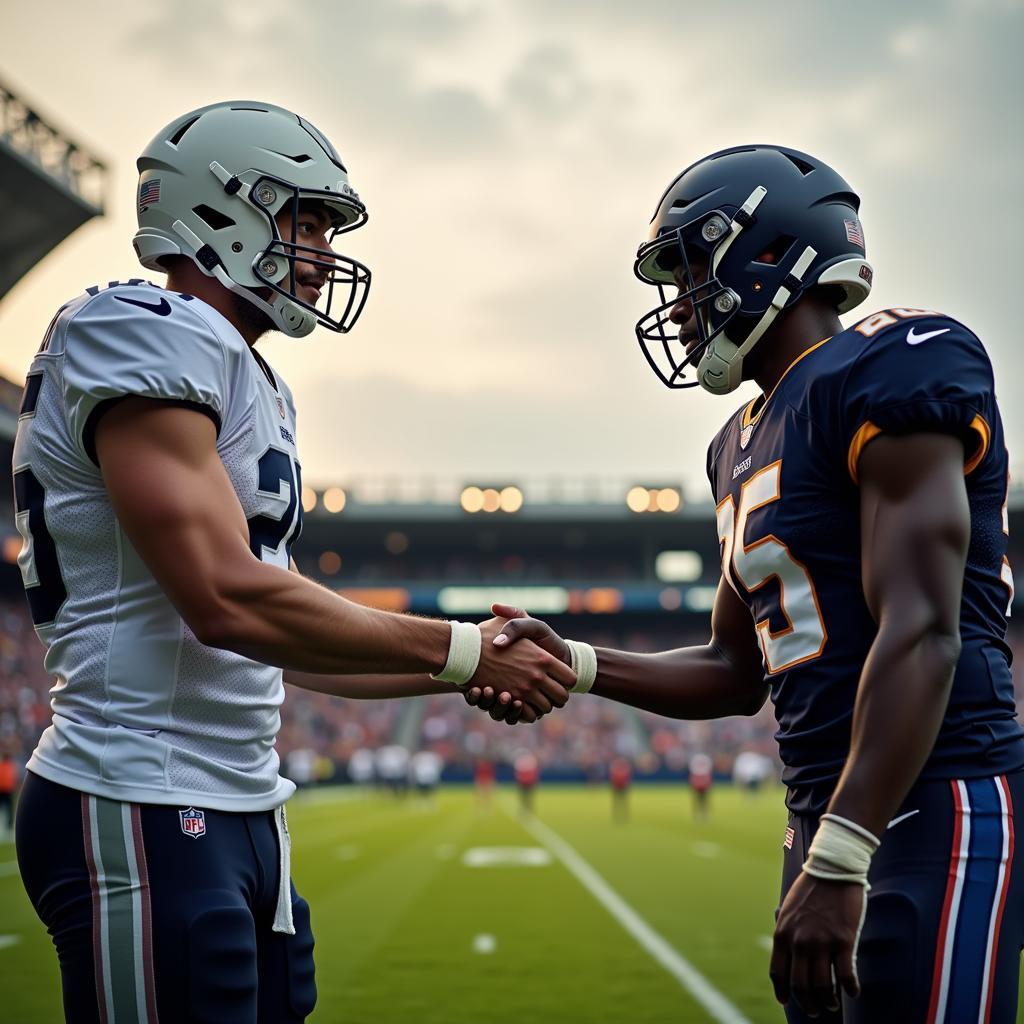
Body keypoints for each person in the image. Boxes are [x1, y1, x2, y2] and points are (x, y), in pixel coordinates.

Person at [11, 100, 575, 1024]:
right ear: (220, 210)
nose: (318, 249)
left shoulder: (247, 372)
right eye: (303, 218)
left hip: (235, 802)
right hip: (138, 790)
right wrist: (463, 648)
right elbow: (226, 600)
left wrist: (459, 671)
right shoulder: (145, 326)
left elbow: (282, 642)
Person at [470, 145, 1024, 1023]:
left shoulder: (895, 365)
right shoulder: (737, 443)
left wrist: (842, 855)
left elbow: (921, 627)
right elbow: (734, 673)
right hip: (820, 814)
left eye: (691, 269)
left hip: (931, 796)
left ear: (768, 256)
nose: (679, 307)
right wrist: (570, 660)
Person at [687, 751, 713, 821]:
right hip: (700, 780)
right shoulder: (704, 758)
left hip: (700, 780)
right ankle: (702, 814)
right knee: (701, 799)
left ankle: (702, 814)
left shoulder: (697, 758)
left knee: (701, 799)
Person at [609, 755, 632, 823]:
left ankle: (623, 814)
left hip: (622, 786)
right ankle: (618, 814)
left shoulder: (624, 767)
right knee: (617, 802)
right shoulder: (616, 767)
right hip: (617, 786)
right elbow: (613, 778)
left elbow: (627, 778)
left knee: (622, 802)